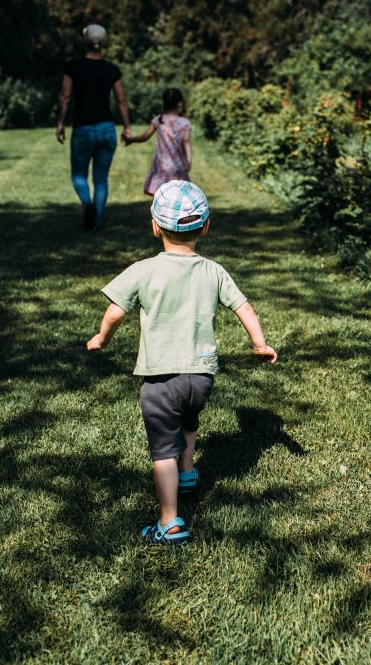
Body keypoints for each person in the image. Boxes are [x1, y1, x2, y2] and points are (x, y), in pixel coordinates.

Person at [86, 180, 277, 545]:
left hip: (161, 378)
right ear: (205, 226)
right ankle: (188, 471)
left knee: (162, 451)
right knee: (189, 419)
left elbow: (114, 312)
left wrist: (100, 338)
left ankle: (170, 521)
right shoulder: (214, 271)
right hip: (201, 375)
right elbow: (244, 307)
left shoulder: (143, 270)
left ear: (154, 226)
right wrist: (260, 343)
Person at [55, 24, 132, 231]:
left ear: (85, 42)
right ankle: (96, 221)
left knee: (78, 175)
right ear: (104, 43)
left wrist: (60, 122)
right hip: (106, 129)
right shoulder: (112, 70)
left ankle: (87, 204)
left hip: (82, 129)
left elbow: (65, 96)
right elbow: (121, 100)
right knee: (101, 179)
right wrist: (126, 126)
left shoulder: (73, 67)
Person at [123, 88, 192, 196]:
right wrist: (189, 160)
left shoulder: (159, 120)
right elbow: (186, 141)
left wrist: (131, 139)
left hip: (161, 167)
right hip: (178, 166)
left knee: (160, 200)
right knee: (178, 198)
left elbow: (144, 137)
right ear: (179, 104)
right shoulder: (184, 123)